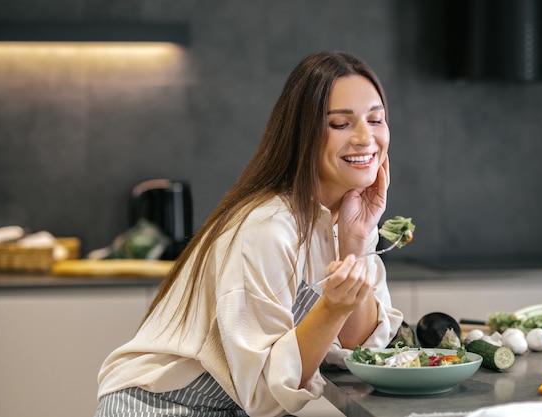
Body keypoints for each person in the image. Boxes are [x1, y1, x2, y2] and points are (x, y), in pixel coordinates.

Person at [94, 51, 404, 417]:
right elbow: (262, 393)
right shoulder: (268, 227)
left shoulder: (349, 221)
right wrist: (331, 308)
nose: (365, 137)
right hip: (158, 407)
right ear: (302, 133)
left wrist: (354, 243)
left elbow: (360, 348)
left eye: (376, 119)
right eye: (340, 123)